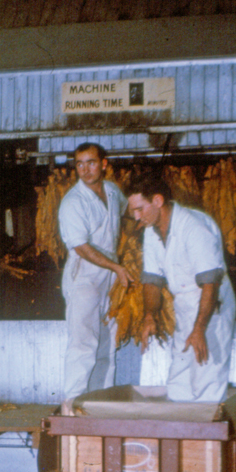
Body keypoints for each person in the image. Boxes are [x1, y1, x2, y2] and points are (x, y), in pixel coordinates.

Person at [124, 170, 236, 402]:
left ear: (158, 200)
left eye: (139, 209)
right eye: (133, 210)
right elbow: (152, 280)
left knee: (207, 377)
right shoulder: (151, 231)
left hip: (211, 307)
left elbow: (210, 283)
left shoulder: (194, 227)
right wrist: (149, 316)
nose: (136, 216)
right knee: (180, 379)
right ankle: (181, 436)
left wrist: (199, 329)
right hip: (185, 306)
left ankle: (207, 437)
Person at [58, 142, 131, 403]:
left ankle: (101, 402)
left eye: (90, 162)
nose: (85, 170)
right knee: (83, 344)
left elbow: (128, 215)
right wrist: (116, 266)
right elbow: (81, 247)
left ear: (104, 164)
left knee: (107, 345)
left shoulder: (112, 191)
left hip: (110, 277)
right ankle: (73, 405)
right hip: (85, 277)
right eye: (79, 164)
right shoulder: (73, 202)